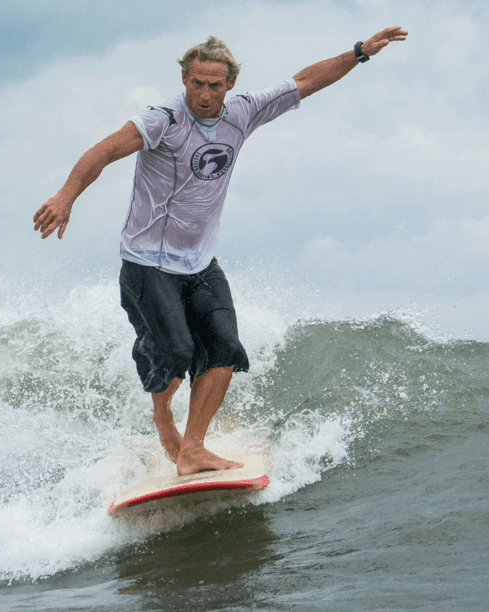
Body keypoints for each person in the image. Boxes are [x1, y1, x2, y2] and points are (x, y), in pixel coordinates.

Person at [33, 27, 408, 476]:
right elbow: (106, 150)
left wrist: (359, 52)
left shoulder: (243, 113)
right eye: (197, 84)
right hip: (146, 262)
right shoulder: (163, 120)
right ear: (185, 80)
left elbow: (306, 81)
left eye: (214, 85)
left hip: (199, 262)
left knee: (225, 349)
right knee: (175, 352)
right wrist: (66, 196)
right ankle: (162, 415)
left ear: (229, 84)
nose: (205, 94)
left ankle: (193, 449)